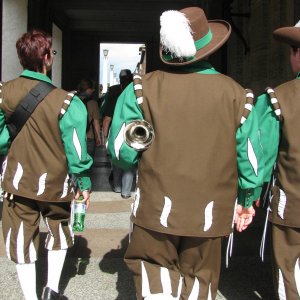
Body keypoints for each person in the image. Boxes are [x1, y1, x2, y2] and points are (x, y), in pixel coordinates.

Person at [107, 7, 264, 299]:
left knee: (156, 280)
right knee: (199, 284)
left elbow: (121, 152)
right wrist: (246, 200)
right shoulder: (239, 96)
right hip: (210, 214)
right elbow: (251, 163)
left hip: (156, 210)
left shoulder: (140, 89)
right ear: (209, 46)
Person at [0, 29, 93, 300]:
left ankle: (30, 297)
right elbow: (76, 150)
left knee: (21, 237)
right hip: (56, 184)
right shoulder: (68, 101)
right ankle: (52, 290)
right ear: (45, 57)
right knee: (59, 233)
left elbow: (1, 140)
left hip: (17, 182)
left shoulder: (5, 93)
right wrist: (84, 184)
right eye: (51, 52)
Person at [255, 21, 300, 300]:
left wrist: (250, 194)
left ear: (297, 54)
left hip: (292, 204)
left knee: (290, 269)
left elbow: (258, 153)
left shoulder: (279, 97)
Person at [103, 69, 136, 199]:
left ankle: (117, 187)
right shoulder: (136, 92)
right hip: (132, 133)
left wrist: (104, 137)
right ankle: (126, 192)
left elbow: (107, 119)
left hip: (116, 132)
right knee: (129, 162)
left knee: (116, 160)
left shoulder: (114, 94)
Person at [76, 78, 101, 159]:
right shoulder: (93, 103)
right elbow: (96, 122)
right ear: (88, 89)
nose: (93, 90)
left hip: (75, 136)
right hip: (89, 138)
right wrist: (98, 138)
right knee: (88, 164)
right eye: (92, 89)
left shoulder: (73, 101)